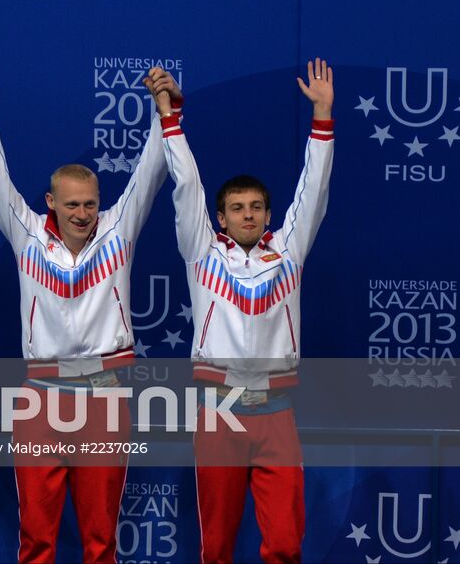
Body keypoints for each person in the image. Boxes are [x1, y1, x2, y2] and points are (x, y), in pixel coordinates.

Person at [0, 60, 173, 564]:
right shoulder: (27, 234)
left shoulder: (117, 230)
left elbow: (151, 170)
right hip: (41, 402)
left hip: (104, 399)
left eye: (90, 203)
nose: (83, 214)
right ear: (50, 202)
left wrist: (161, 110)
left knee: (100, 540)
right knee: (37, 538)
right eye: (72, 204)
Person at [153, 60, 333, 564]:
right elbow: (186, 185)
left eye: (256, 207)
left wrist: (323, 119)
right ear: (220, 216)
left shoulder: (289, 251)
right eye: (237, 207)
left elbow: (313, 192)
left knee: (284, 544)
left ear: (269, 215)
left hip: (277, 414)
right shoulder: (202, 253)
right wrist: (170, 119)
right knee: (217, 546)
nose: (248, 214)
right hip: (220, 413)